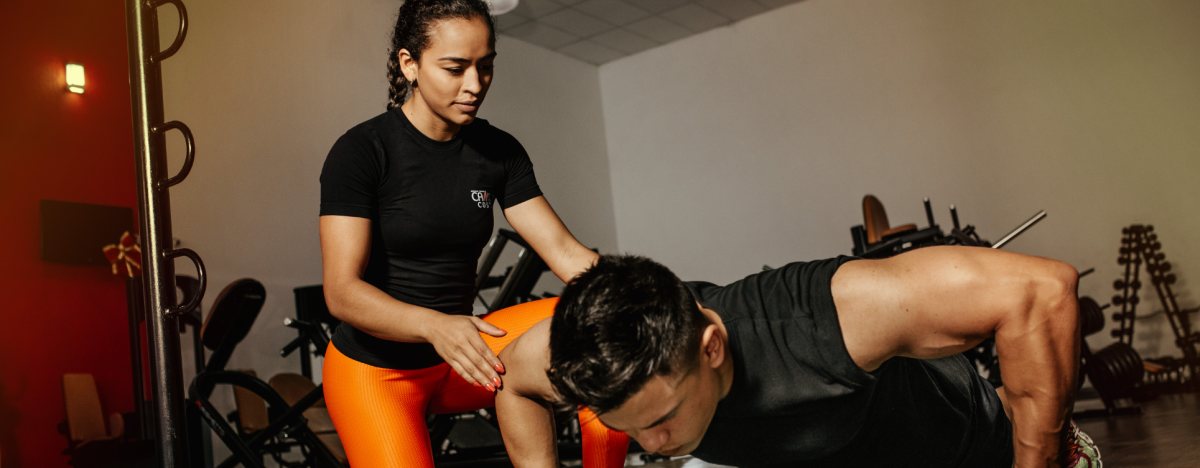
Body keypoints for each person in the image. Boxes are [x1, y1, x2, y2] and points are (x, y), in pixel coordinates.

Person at [316, 1, 627, 466]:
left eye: (486, 67)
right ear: (410, 64)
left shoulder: (497, 150)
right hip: (378, 372)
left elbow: (563, 251)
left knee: (607, 323)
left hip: (467, 354)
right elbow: (342, 293)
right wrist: (434, 325)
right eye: (455, 68)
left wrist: (651, 298)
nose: (475, 85)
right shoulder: (362, 151)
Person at [493, 246, 1104, 468]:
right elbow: (513, 384)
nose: (651, 447)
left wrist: (1038, 461)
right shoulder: (591, 354)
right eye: (630, 428)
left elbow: (1042, 290)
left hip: (968, 452)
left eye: (661, 419)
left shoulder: (827, 319)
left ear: (711, 348)